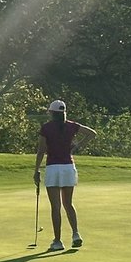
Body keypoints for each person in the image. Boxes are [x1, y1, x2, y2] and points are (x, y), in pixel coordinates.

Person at [33, 99, 96, 251]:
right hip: (68, 167)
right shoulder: (72, 126)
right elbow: (92, 134)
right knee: (68, 204)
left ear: (52, 113)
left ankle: (57, 241)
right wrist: (77, 146)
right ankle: (76, 234)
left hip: (53, 168)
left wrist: (36, 170)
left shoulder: (46, 128)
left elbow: (41, 150)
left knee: (56, 206)